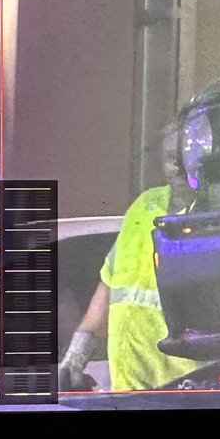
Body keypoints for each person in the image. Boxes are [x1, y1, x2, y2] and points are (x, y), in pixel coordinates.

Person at [59, 129, 203, 392]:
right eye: (172, 158)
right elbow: (110, 285)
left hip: (186, 389)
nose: (179, 168)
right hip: (128, 388)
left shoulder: (217, 214)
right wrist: (76, 357)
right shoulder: (144, 205)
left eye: (188, 157)